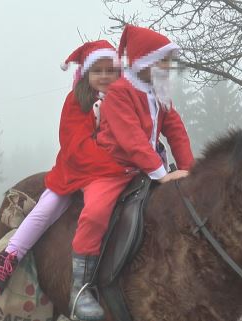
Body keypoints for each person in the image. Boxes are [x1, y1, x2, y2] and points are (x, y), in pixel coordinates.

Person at [67, 25, 194, 321]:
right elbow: (131, 139)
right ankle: (80, 289)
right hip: (111, 169)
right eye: (163, 60)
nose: (167, 67)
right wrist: (162, 174)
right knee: (95, 212)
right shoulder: (120, 92)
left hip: (146, 167)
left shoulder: (160, 92)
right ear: (144, 62)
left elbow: (176, 132)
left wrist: (190, 171)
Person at [0, 40, 124, 296]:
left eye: (110, 70)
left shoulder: (125, 100)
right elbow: (76, 146)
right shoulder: (76, 101)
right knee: (45, 210)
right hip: (75, 171)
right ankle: (9, 259)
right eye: (98, 71)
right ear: (86, 74)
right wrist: (117, 164)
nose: (104, 76)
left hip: (108, 174)